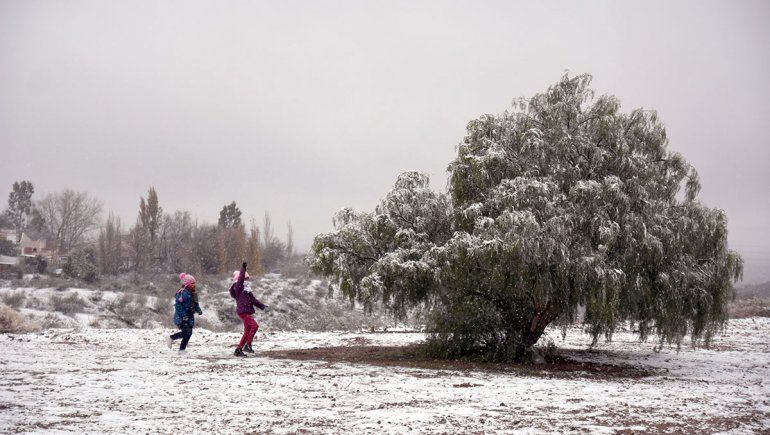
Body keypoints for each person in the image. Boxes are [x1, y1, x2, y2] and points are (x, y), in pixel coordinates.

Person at [230, 262, 267, 357]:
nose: (247, 280)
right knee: (254, 326)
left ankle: (239, 349)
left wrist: (262, 306)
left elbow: (253, 300)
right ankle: (247, 345)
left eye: (247, 278)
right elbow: (241, 278)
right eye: (246, 278)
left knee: (248, 330)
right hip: (243, 312)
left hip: (246, 312)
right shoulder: (238, 287)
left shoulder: (247, 289)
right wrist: (243, 269)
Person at [166, 273, 202, 351]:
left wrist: (198, 310)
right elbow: (178, 306)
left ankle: (182, 350)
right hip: (181, 317)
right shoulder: (182, 293)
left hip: (189, 317)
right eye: (192, 283)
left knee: (188, 334)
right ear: (187, 284)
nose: (194, 285)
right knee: (187, 332)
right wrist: (183, 315)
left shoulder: (193, 293)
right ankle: (171, 337)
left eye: (194, 283)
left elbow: (195, 303)